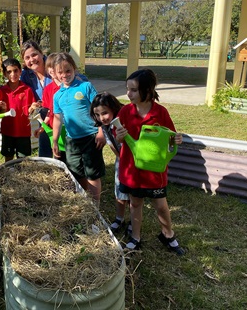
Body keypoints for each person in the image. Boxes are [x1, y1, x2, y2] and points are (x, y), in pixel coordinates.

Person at [115, 69, 185, 254]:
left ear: (147, 90)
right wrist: (119, 137)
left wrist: (176, 139)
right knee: (135, 203)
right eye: (127, 89)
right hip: (132, 169)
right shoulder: (125, 111)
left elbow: (170, 138)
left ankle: (168, 234)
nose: (128, 94)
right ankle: (135, 237)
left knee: (161, 205)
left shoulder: (160, 113)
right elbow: (117, 138)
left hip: (154, 171)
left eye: (134, 90)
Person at [52, 52, 105, 206]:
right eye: (60, 72)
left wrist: (101, 131)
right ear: (55, 73)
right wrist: (55, 141)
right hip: (72, 140)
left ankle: (96, 206)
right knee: (76, 171)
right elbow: (57, 118)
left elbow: (99, 109)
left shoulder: (85, 86)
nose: (64, 75)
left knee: (92, 173)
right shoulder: (57, 96)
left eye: (68, 70)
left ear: (74, 69)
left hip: (91, 136)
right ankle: (85, 198)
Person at [90, 92, 131, 235]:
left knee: (133, 195)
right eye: (97, 114)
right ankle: (119, 218)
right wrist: (120, 159)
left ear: (114, 108)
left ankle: (133, 220)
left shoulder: (124, 121)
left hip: (134, 161)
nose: (102, 118)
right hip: (121, 160)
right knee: (119, 191)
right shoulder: (105, 125)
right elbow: (111, 144)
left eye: (105, 113)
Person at [1, 58, 41, 162]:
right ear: (5, 74)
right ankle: (7, 177)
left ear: (20, 71)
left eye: (15, 70)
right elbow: (0, 113)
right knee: (8, 159)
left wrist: (33, 107)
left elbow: (29, 112)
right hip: (7, 131)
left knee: (23, 161)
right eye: (9, 72)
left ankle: (22, 178)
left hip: (23, 131)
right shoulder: (2, 90)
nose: (13, 74)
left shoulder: (27, 90)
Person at [20, 40, 53, 157]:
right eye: (27, 57)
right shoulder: (25, 74)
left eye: (34, 55)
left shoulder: (53, 66)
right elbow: (23, 92)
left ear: (41, 53)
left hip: (60, 110)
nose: (32, 60)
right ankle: (46, 165)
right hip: (44, 112)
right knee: (44, 139)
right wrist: (31, 104)